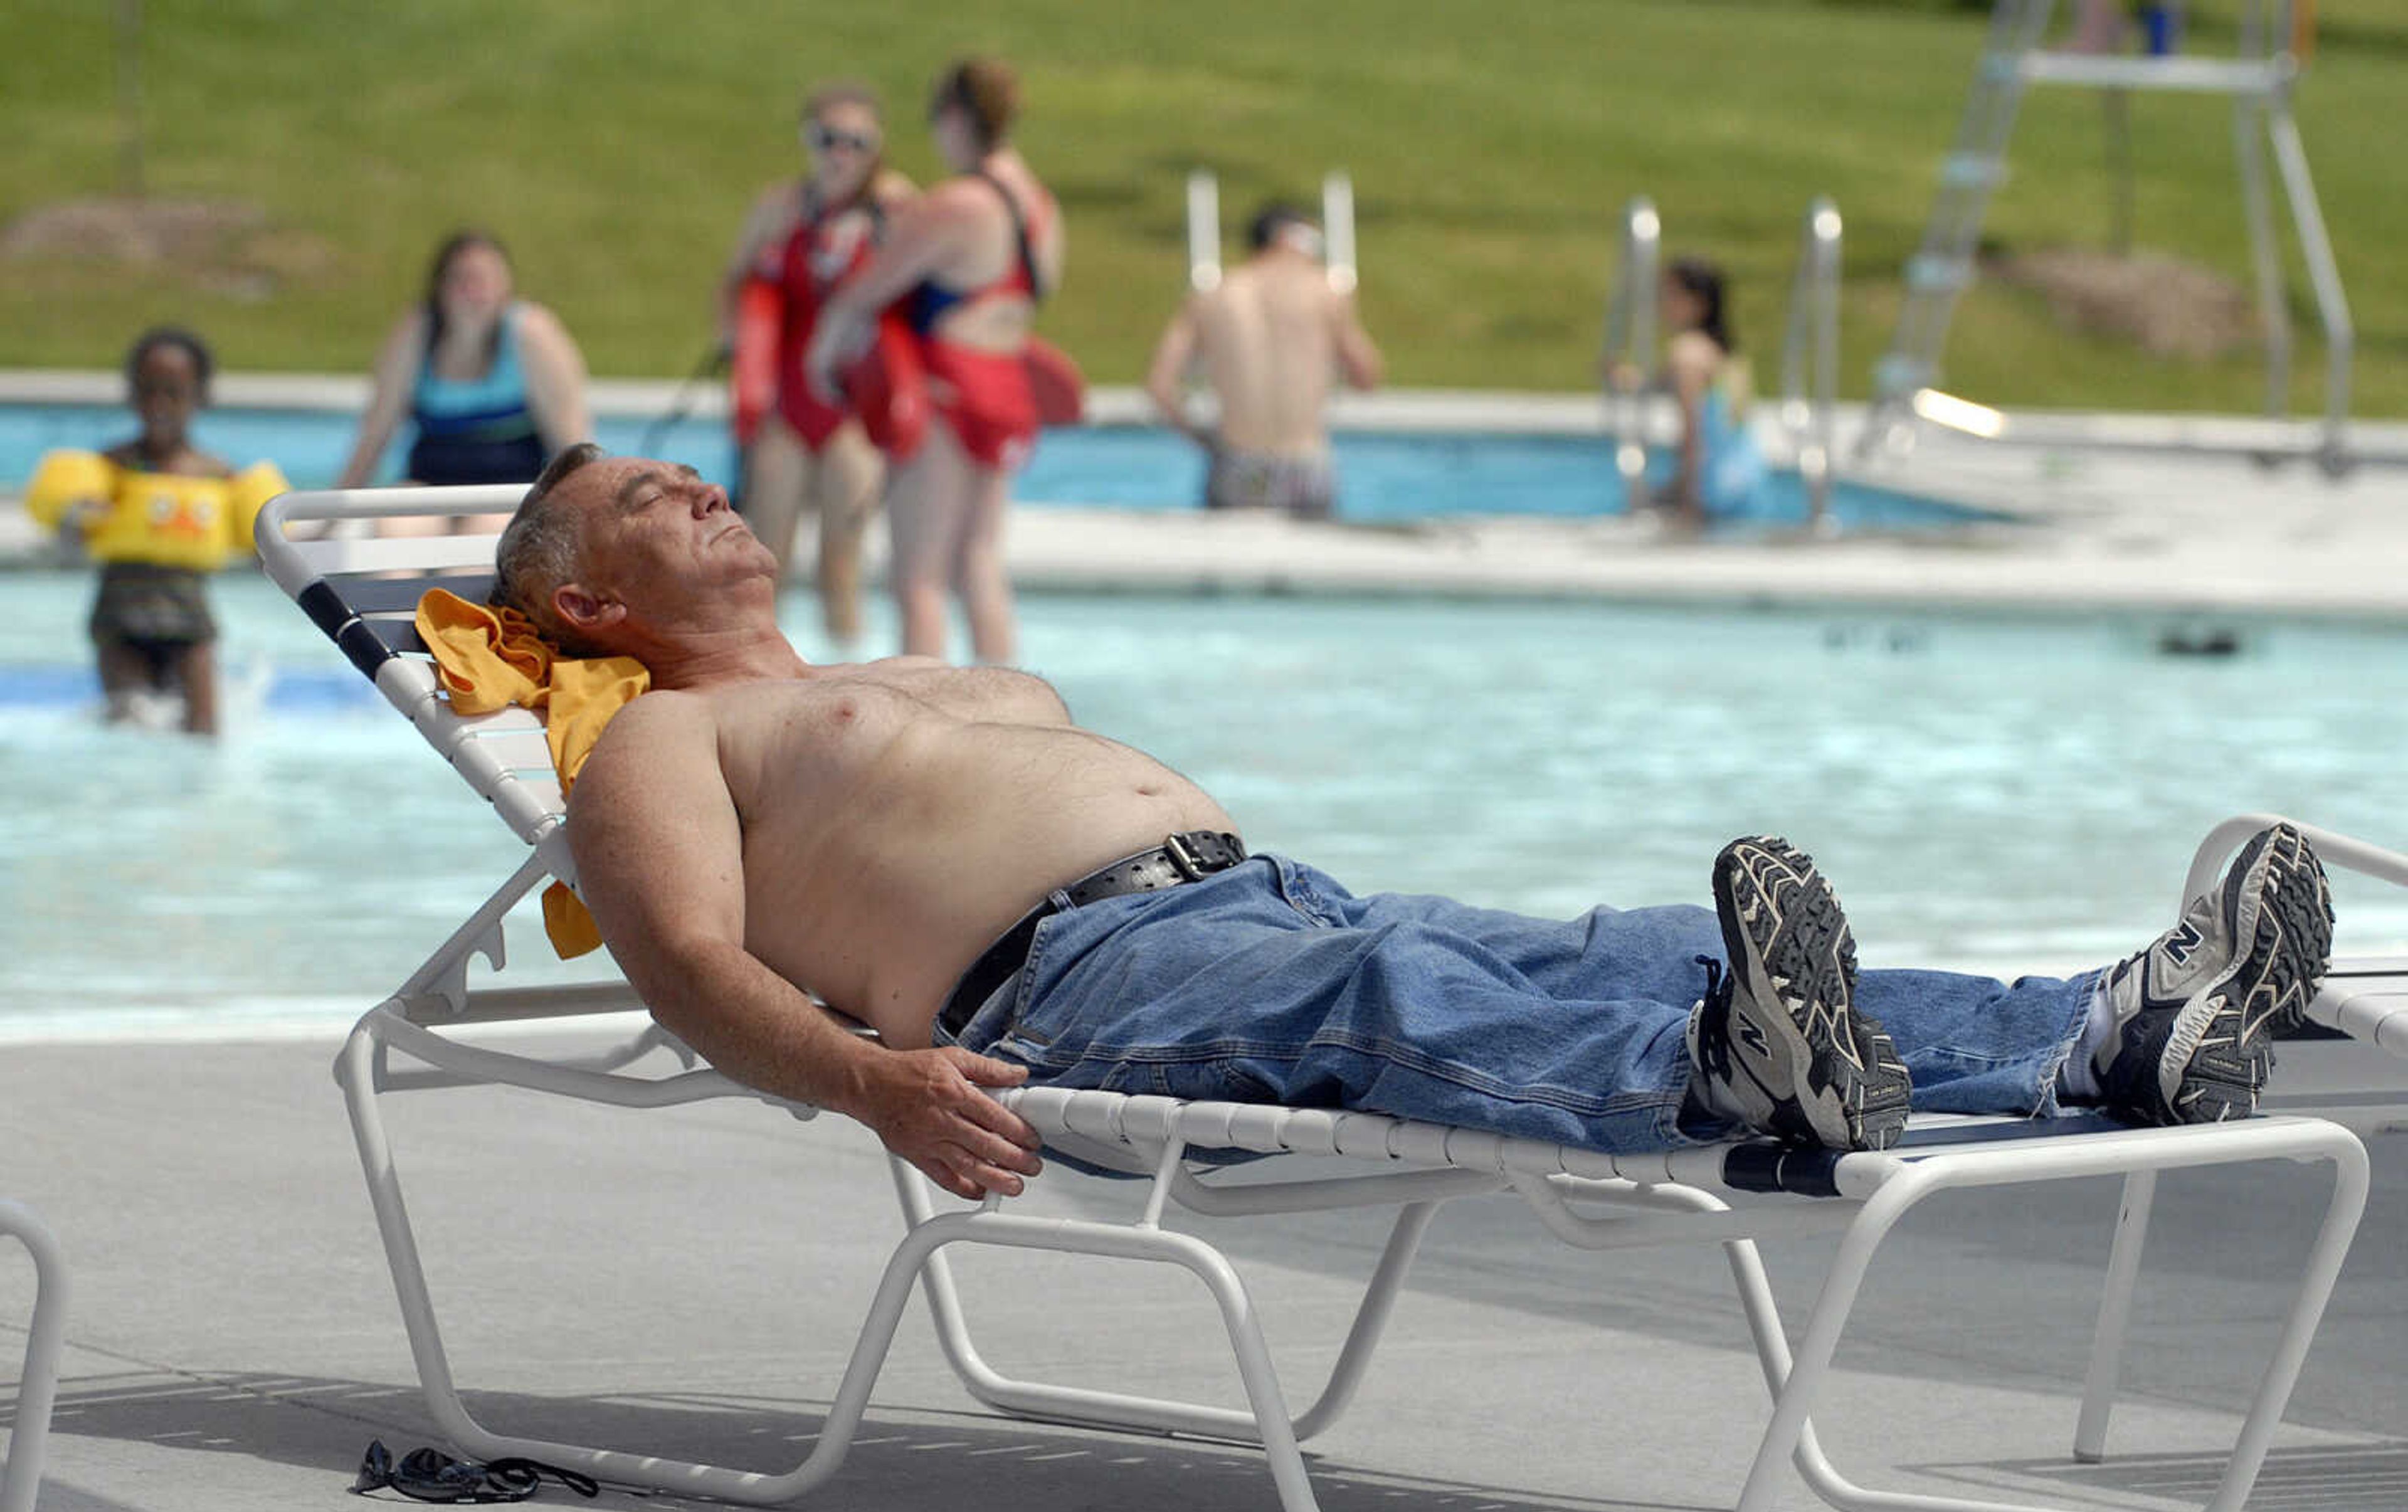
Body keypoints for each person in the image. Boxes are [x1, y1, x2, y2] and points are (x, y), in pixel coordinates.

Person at [480, 443, 2338, 1203]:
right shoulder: (657, 743)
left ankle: (2102, 1025)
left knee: (1613, 945)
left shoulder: (881, 666)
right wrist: (870, 1082)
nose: (698, 482)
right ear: (581, 608)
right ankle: (1729, 1071)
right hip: (1067, 984)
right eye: (648, 499)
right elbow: (691, 966)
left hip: (1249, 901)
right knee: (1404, 993)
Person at [804, 57, 1064, 663]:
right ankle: (1009, 714)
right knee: (979, 563)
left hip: (949, 388)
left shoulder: (958, 203)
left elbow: (865, 289)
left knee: (917, 575)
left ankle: (922, 725)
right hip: (1008, 386)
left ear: (952, 118)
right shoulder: (1043, 208)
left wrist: (823, 361)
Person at [719, 82, 914, 643]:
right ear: (810, 142)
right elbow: (732, 286)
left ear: (876, 148)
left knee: (842, 567)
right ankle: (759, 684)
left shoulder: (897, 212)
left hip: (854, 414)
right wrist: (743, 342)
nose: (841, 154)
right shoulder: (779, 208)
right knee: (763, 565)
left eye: (858, 142)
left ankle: (844, 685)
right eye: (829, 139)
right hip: (787, 405)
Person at [24, 327, 287, 736]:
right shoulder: (110, 468)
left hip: (190, 619)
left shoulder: (218, 476)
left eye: (173, 391)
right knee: (131, 722)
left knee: (205, 730)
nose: (159, 403)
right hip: (119, 617)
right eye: (147, 390)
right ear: (131, 394)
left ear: (200, 396)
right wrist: (76, 517)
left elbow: (263, 556)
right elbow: (69, 540)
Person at [333, 230, 591, 534]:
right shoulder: (417, 334)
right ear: (440, 288)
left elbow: (573, 448)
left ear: (506, 287)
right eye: (463, 280)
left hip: (510, 493)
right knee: (396, 529)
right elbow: (373, 438)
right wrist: (324, 524)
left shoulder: (532, 336)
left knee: (487, 533)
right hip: (430, 489)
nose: (474, 291)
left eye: (486, 280)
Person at [1144, 201, 1383, 517]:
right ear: (1286, 238)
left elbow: (1160, 387)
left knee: (1229, 565)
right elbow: (1366, 376)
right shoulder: (1325, 293)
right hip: (1305, 465)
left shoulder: (1211, 296)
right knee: (1314, 563)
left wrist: (1202, 439)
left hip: (1237, 464)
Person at [1653, 256, 1770, 526]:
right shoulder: (1724, 351)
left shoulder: (1687, 355)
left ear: (1698, 303)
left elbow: (1693, 436)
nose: (1663, 304)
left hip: (1711, 484)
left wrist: (1687, 499)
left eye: (1671, 295)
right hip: (1748, 477)